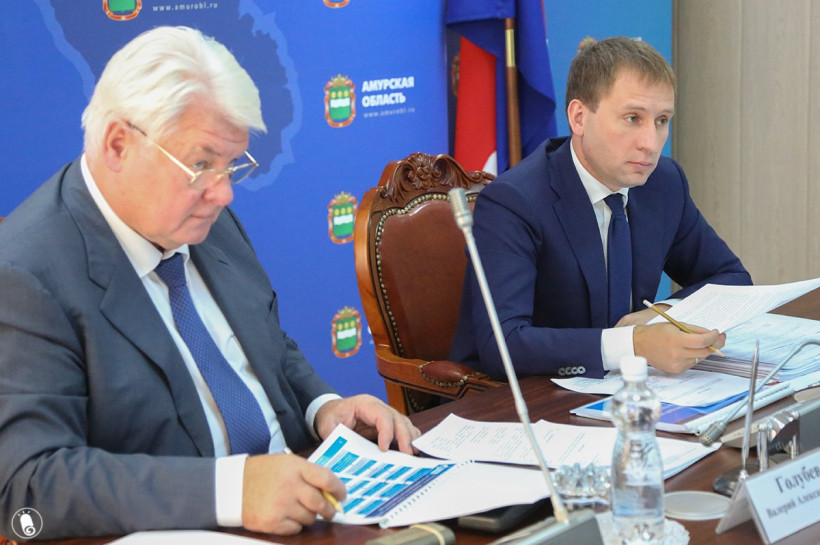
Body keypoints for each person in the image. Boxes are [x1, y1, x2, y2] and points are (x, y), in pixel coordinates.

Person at [0, 26, 419, 540]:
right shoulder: (24, 274)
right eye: (200, 164)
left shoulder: (201, 218)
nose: (223, 194)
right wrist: (231, 492)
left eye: (231, 166)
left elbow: (263, 344)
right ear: (118, 145)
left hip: (305, 509)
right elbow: (27, 487)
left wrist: (323, 409)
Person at [449, 36, 752, 380]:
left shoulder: (663, 184)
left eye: (662, 120)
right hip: (524, 395)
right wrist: (633, 344)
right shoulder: (514, 202)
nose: (651, 143)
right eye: (632, 118)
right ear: (579, 117)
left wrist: (663, 313)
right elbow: (504, 345)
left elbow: (733, 280)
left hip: (623, 391)